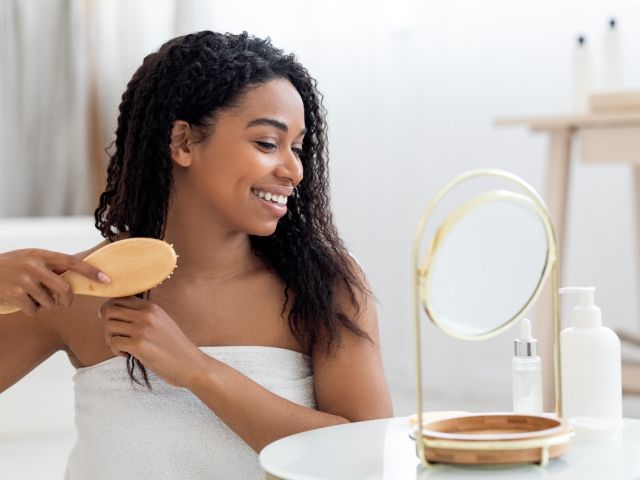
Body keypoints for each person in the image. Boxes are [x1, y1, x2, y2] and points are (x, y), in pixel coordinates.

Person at [0, 31, 392, 479]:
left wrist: (197, 370)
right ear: (183, 142)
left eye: (297, 148)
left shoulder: (324, 285)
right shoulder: (80, 287)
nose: (294, 170)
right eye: (268, 143)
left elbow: (365, 459)